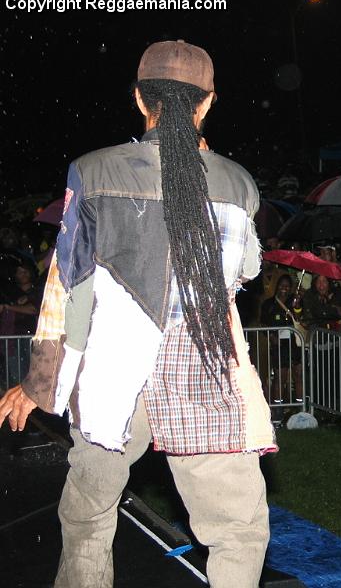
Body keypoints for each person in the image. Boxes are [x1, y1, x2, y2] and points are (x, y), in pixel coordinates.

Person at [0, 40, 274, 587]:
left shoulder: (93, 171)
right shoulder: (238, 182)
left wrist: (38, 384)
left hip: (115, 376)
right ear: (207, 103)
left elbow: (67, 289)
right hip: (203, 375)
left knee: (89, 516)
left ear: (139, 99)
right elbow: (245, 271)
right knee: (238, 533)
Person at [260, 274, 303, 405]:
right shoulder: (269, 304)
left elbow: (300, 318)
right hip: (279, 345)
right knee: (280, 377)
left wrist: (297, 306)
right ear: (277, 286)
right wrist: (271, 336)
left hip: (295, 343)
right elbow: (263, 324)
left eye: (287, 286)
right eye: (282, 285)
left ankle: (300, 406)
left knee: (298, 375)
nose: (284, 288)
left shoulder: (294, 301)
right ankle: (278, 407)